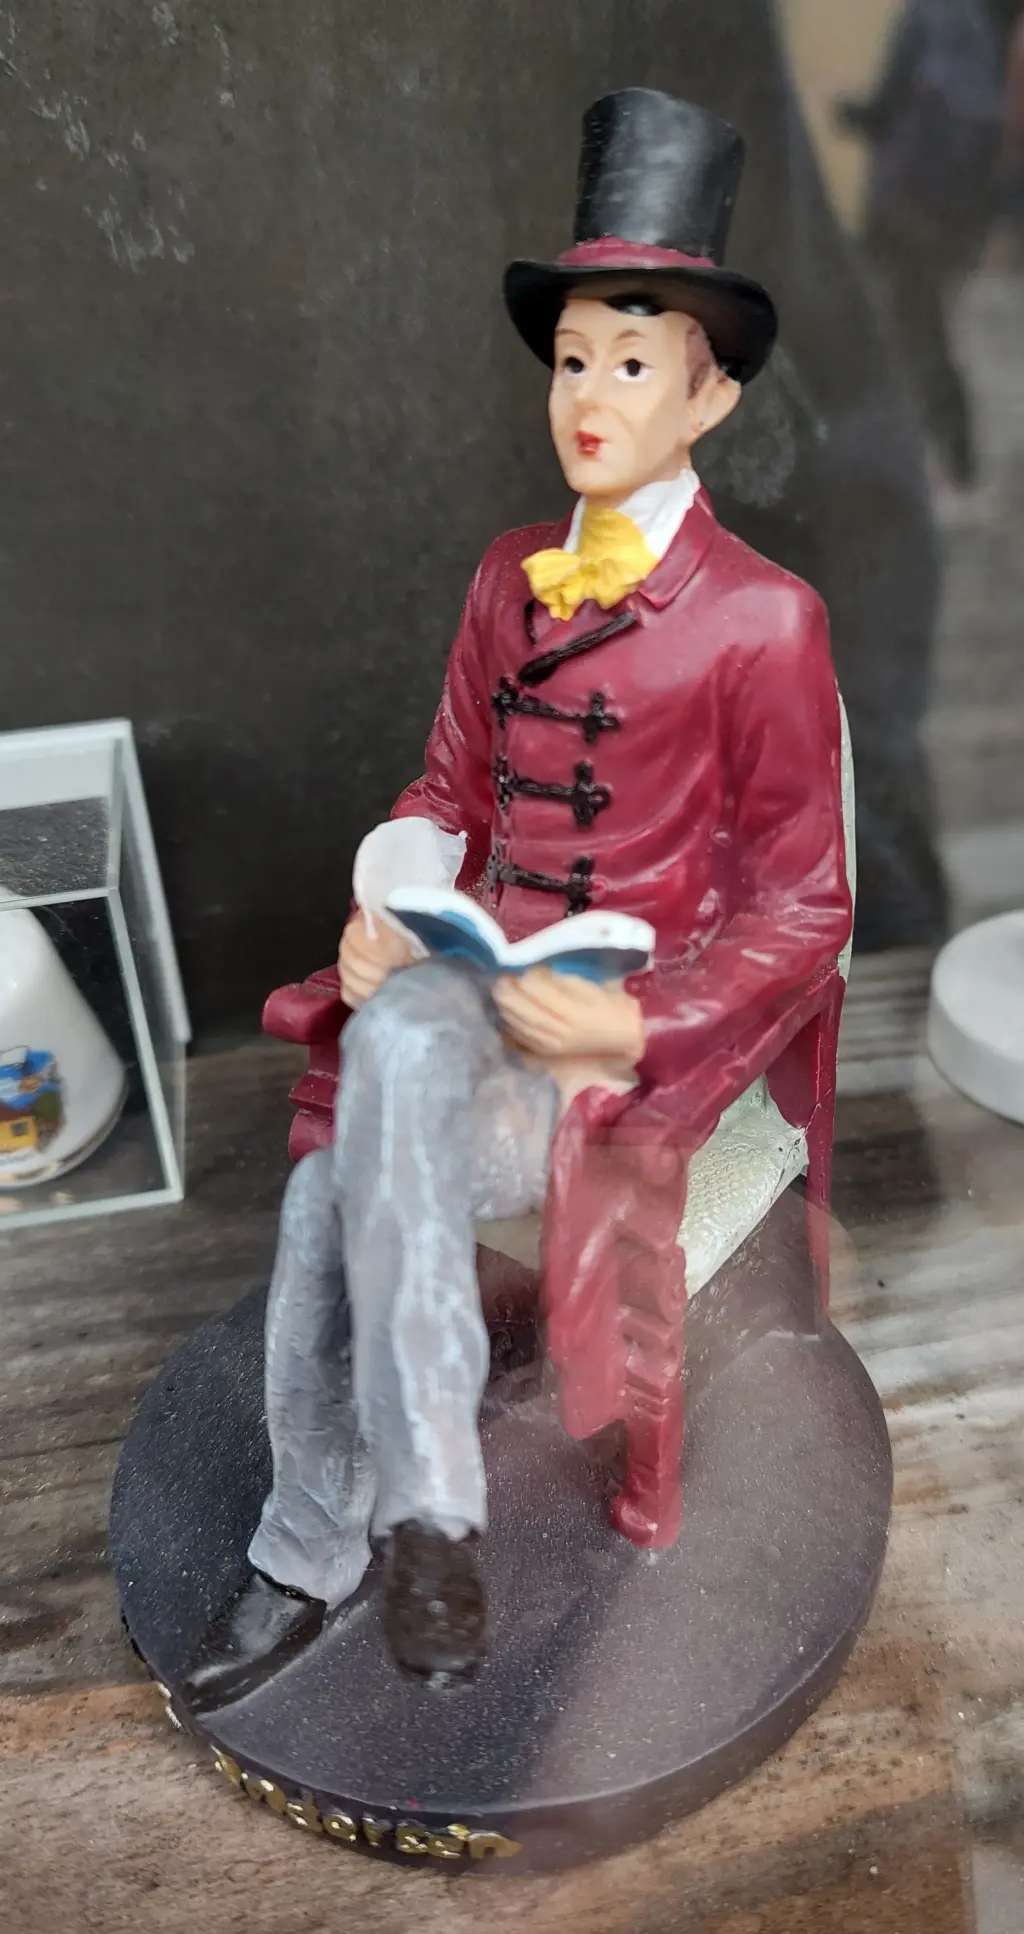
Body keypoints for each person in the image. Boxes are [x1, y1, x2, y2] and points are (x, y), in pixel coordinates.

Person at [183, 91, 851, 1701]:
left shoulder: (766, 620)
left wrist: (639, 1018)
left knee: (330, 1194)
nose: (589, 397)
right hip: (471, 1002)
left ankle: (325, 1541)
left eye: (632, 362)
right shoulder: (504, 574)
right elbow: (443, 795)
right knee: (394, 1055)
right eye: (570, 360)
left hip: (620, 1045)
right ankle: (422, 1524)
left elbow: (806, 907)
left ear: (712, 392)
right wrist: (392, 898)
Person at [835, 0, 1003, 487]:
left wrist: (850, 113)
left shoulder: (922, 17)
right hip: (952, 211)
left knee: (885, 321)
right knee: (927, 326)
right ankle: (956, 452)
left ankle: (887, 452)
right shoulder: (976, 22)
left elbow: (885, 107)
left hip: (900, 207)